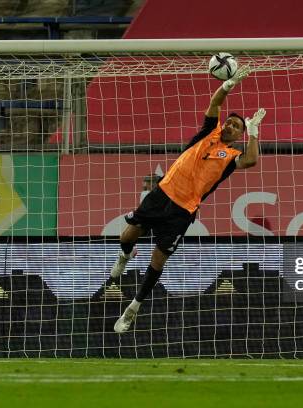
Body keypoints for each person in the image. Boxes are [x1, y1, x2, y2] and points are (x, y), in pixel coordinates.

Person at [111, 66, 266, 333]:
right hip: (161, 194)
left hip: (182, 211)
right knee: (127, 237)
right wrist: (229, 84)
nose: (231, 125)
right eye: (230, 122)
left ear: (240, 135)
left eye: (237, 126)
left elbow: (251, 160)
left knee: (158, 260)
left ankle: (132, 308)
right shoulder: (209, 131)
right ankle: (125, 256)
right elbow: (215, 102)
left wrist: (254, 131)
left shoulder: (230, 156)